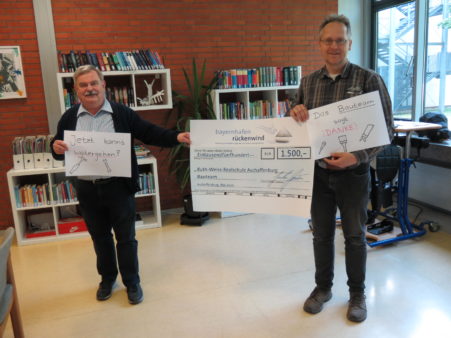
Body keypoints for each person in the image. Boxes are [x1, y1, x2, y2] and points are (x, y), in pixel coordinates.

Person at [51, 64, 190, 305]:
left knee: (126, 238)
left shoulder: (122, 113)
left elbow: (149, 132)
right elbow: (59, 148)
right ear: (76, 90)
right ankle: (107, 279)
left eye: (94, 83)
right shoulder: (69, 117)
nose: (90, 88)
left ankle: (132, 282)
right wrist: (55, 147)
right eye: (83, 85)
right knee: (100, 237)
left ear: (103, 85)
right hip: (87, 190)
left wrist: (176, 136)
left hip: (118, 187)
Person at [290, 14, 393, 322]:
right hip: (318, 175)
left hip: (354, 175)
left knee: (355, 236)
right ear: (319, 44)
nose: (334, 46)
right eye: (328, 40)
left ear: (349, 43)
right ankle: (322, 289)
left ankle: (357, 294)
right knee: (321, 235)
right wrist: (294, 110)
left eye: (340, 40)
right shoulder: (308, 82)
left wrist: (357, 156)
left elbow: (387, 129)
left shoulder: (368, 79)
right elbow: (296, 121)